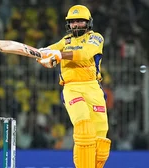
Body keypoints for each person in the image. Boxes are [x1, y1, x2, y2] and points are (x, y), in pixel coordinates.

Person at [36, 5, 111, 168]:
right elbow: (49, 52)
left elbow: (84, 54)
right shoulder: (66, 41)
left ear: (88, 23)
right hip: (72, 87)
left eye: (80, 21)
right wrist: (44, 56)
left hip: (93, 88)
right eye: (73, 22)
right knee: (84, 128)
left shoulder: (96, 38)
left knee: (100, 136)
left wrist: (59, 55)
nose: (76, 25)